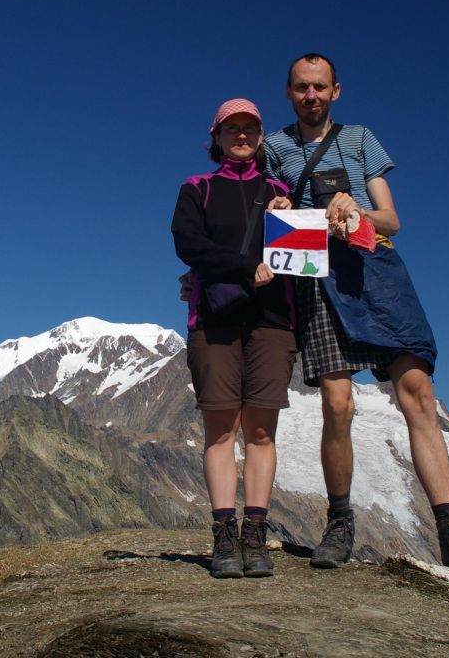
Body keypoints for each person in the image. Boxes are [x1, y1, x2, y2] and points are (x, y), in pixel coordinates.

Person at [261, 53, 449, 572]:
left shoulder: (360, 140)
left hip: (377, 270)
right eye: (302, 87)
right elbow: (269, 207)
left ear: (336, 91)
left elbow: (392, 219)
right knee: (336, 404)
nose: (311, 95)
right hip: (319, 280)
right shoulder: (276, 149)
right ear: (289, 92)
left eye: (320, 87)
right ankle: (340, 523)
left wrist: (356, 208)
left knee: (417, 392)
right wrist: (278, 207)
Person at [171, 98, 298, 578]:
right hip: (215, 317)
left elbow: (302, 255)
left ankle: (254, 534)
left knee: (262, 431)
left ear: (260, 136)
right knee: (221, 430)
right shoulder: (197, 188)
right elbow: (188, 244)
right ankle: (225, 535)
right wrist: (247, 266)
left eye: (249, 128)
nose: (241, 135)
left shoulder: (281, 191)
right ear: (217, 137)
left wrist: (288, 217)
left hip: (271, 321)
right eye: (231, 129)